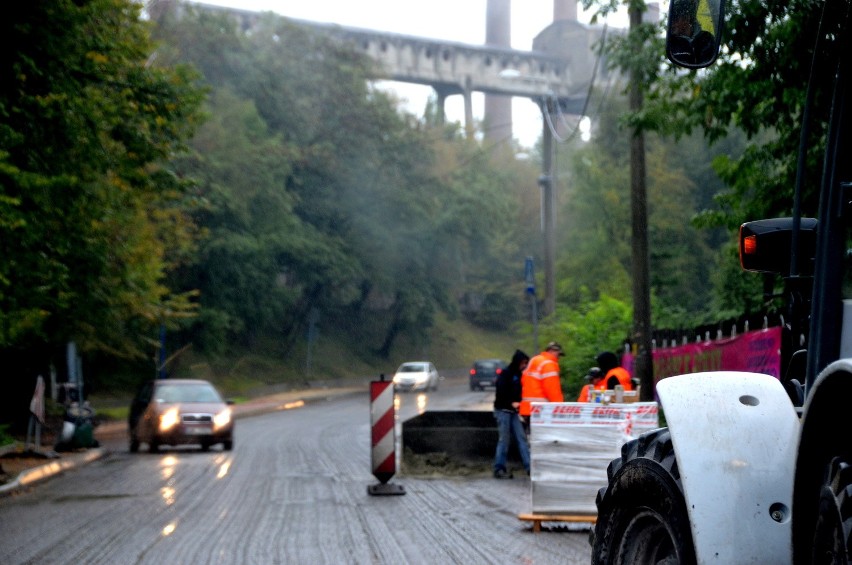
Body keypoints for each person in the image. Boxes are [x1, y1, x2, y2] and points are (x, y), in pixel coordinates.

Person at [492, 350, 531, 479]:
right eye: (524, 363)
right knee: (504, 440)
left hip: (513, 412)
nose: (525, 365)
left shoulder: (518, 375)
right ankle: (499, 468)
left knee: (522, 439)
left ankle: (529, 467)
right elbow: (501, 392)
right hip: (503, 411)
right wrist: (511, 403)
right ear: (518, 362)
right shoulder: (506, 374)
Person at [519, 341, 565, 433]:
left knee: (531, 438)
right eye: (558, 354)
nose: (558, 357)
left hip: (527, 408)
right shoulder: (549, 364)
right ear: (553, 351)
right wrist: (559, 408)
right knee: (542, 439)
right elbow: (552, 389)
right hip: (541, 410)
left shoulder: (534, 360)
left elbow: (523, 380)